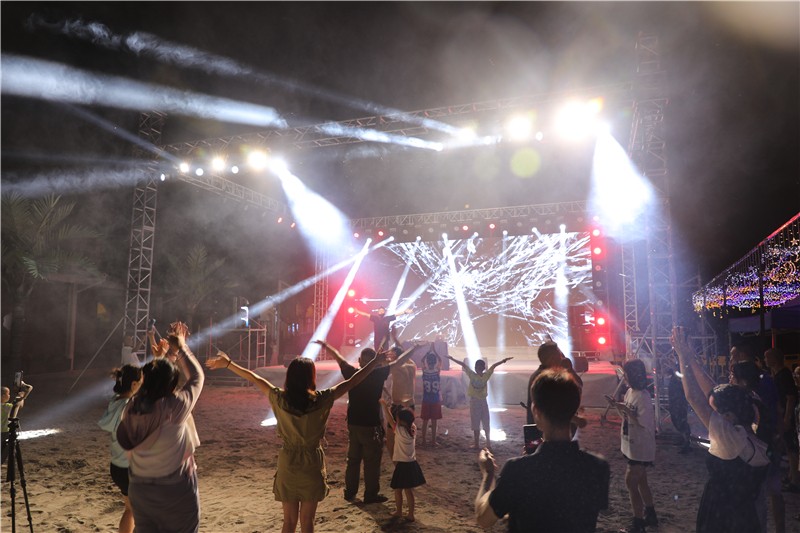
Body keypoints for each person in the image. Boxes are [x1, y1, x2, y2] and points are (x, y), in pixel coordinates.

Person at [207, 348, 387, 533]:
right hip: (312, 461)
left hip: (289, 461)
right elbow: (353, 381)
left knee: (289, 521)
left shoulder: (279, 398)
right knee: (308, 521)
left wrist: (228, 364)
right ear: (311, 377)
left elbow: (254, 378)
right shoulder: (322, 399)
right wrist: (374, 362)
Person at [475, 368, 610, 532]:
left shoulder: (518, 470)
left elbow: (484, 518)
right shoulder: (597, 467)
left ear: (536, 412)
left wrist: (488, 474)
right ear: (574, 412)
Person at [672, 326, 769, 533]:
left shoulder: (729, 437)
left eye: (732, 377)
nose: (729, 378)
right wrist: (689, 357)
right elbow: (716, 392)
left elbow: (694, 397)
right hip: (746, 510)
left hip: (722, 510)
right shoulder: (752, 410)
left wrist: (683, 357)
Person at [116, 321, 204, 533]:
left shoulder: (132, 407)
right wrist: (181, 347)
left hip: (141, 490)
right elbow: (197, 377)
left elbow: (154, 383)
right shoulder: (175, 407)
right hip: (175, 492)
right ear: (172, 385)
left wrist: (163, 358)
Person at [315, 339, 414, 504]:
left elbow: (339, 358)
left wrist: (326, 346)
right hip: (371, 424)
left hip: (353, 423)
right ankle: (371, 494)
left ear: (360, 361)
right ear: (376, 362)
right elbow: (399, 362)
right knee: (372, 461)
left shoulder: (352, 373)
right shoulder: (379, 374)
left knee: (353, 460)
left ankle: (350, 492)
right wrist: (414, 349)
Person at [731, 360, 784, 533]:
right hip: (765, 455)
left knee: (756, 503)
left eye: (733, 376)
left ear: (743, 381)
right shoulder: (755, 398)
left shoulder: (749, 403)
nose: (730, 380)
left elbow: (752, 433)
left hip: (756, 461)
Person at [606, 359, 658, 532]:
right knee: (641, 481)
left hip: (641, 446)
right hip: (631, 443)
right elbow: (626, 416)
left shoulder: (643, 397)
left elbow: (645, 423)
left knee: (631, 482)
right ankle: (650, 514)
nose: (624, 377)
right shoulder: (630, 392)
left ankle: (638, 522)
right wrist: (617, 406)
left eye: (626, 374)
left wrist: (626, 410)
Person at [97, 364, 143, 533]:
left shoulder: (115, 402)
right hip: (132, 469)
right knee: (143, 514)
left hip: (117, 467)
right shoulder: (131, 406)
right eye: (141, 382)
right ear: (133, 384)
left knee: (129, 509)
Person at [447, 355, 512, 451]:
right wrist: (503, 361)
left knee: (475, 422)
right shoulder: (486, 376)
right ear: (484, 368)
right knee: (486, 421)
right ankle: (488, 443)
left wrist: (452, 359)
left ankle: (477, 444)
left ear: (475, 367)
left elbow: (463, 365)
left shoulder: (472, 375)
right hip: (483, 402)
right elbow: (494, 366)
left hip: (474, 402)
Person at [380, 400, 426, 522]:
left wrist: (384, 406)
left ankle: (399, 511)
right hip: (412, 464)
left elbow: (390, 420)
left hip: (402, 465)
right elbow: (405, 419)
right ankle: (411, 514)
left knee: (398, 490)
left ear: (400, 421)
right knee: (408, 491)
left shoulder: (399, 431)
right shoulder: (413, 429)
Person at [765, 348, 800, 493]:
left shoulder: (784, 375)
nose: (765, 360)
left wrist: (787, 419)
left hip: (786, 416)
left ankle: (795, 481)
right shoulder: (779, 374)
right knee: (788, 446)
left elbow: (790, 398)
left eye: (767, 357)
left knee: (791, 448)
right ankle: (792, 476)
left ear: (774, 359)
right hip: (783, 416)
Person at [1, 379, 33, 464]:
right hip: (4, 433)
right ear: (3, 396)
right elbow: (29, 388)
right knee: (5, 451)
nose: (9, 396)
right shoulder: (7, 407)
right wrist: (22, 392)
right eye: (8, 394)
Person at [665, 365, 691, 453]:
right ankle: (682, 438)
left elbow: (681, 377)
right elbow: (666, 373)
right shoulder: (675, 368)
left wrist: (675, 370)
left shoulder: (682, 368)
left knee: (681, 420)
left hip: (680, 400)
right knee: (675, 419)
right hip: (673, 400)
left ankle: (686, 442)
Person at [420, 350, 443, 447]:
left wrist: (427, 352)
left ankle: (424, 441)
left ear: (427, 362)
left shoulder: (425, 371)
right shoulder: (437, 371)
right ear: (435, 362)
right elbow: (440, 361)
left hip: (426, 399)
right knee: (434, 421)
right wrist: (435, 351)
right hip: (435, 399)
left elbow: (421, 360)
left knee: (425, 421)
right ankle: (433, 441)